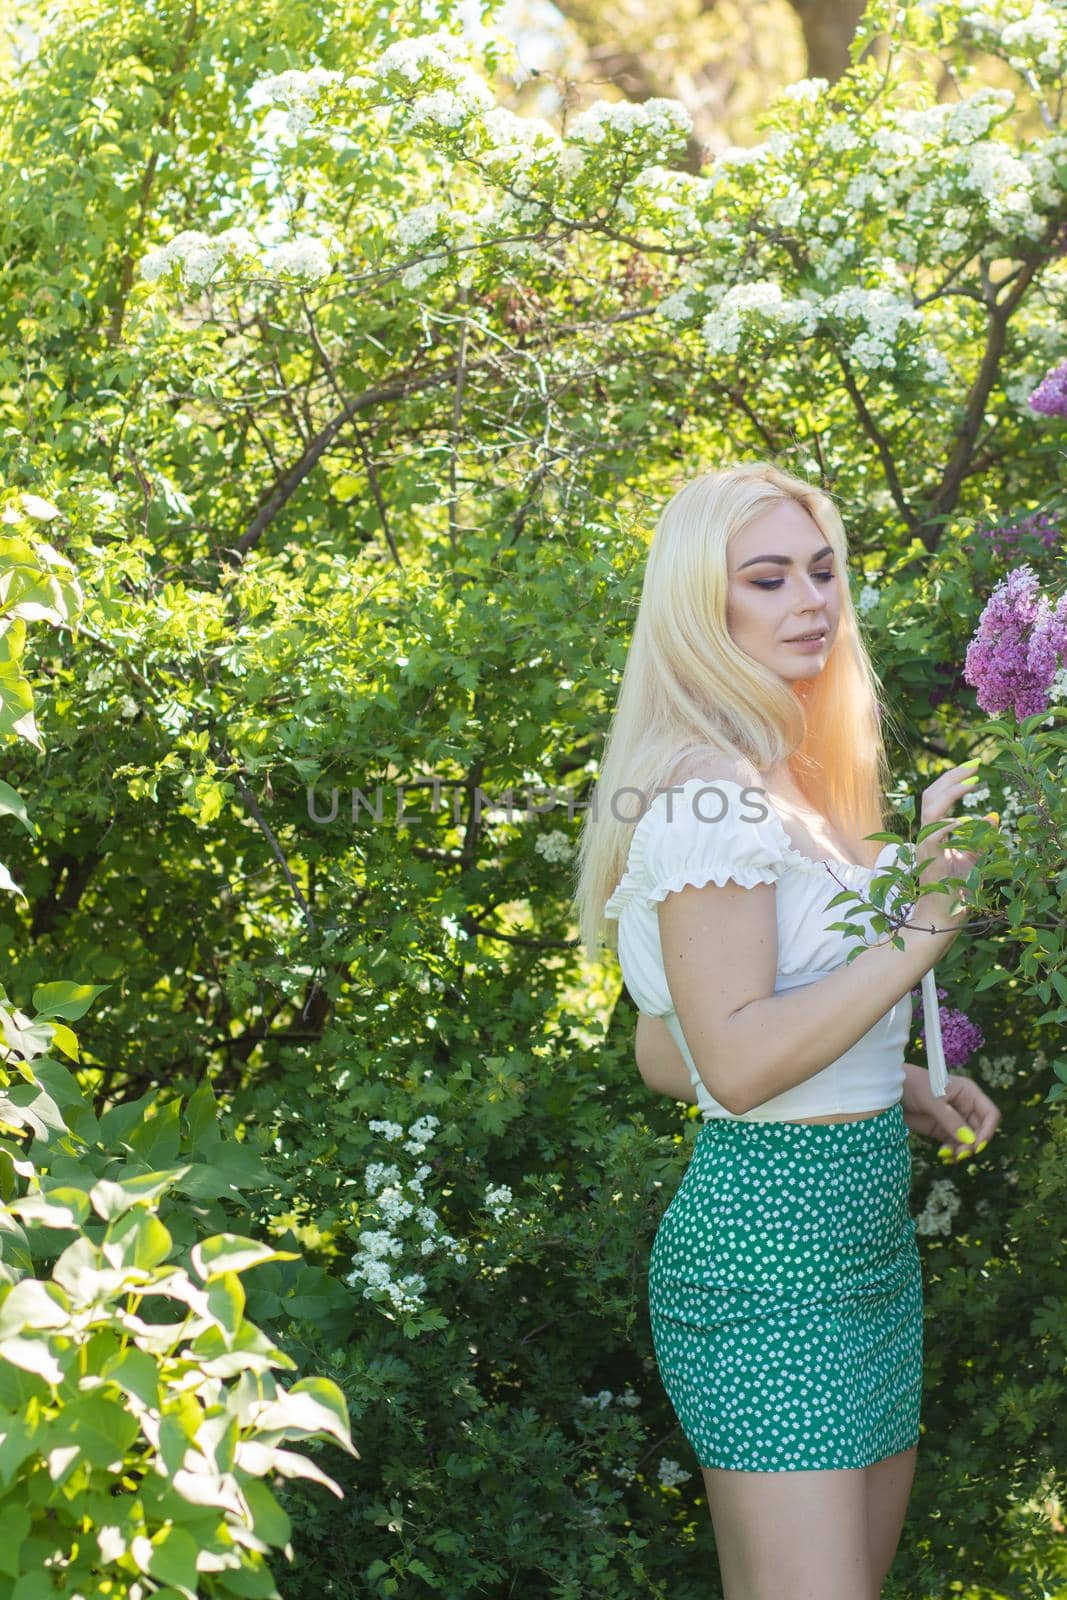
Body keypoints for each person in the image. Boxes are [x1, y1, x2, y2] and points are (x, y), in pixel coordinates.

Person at [570, 461, 1001, 1600]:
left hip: (861, 1245)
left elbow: (663, 1050)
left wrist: (884, 1076)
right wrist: (918, 931)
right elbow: (739, 1060)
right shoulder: (706, 793)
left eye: (820, 571)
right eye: (766, 579)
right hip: (766, 1257)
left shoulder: (790, 783)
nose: (809, 600)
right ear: (698, 608)